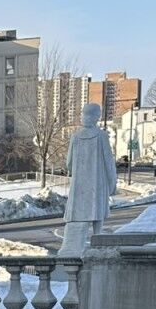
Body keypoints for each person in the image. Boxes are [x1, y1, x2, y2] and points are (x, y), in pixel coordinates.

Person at [61, 103, 117, 255]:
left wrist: (79, 172)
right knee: (97, 210)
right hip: (97, 182)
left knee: (79, 211)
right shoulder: (102, 136)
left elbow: (69, 163)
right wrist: (112, 182)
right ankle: (97, 239)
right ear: (97, 117)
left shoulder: (75, 137)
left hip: (79, 184)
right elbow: (108, 161)